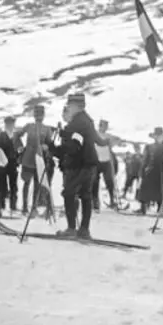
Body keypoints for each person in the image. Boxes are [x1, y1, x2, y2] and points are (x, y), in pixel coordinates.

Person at [50, 94, 99, 238]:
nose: (68, 108)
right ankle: (84, 229)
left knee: (69, 193)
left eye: (70, 105)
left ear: (76, 106)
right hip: (89, 164)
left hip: (79, 165)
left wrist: (54, 147)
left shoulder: (78, 123)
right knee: (85, 195)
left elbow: (74, 147)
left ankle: (71, 229)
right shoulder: (87, 121)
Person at [14, 105, 55, 216]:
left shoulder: (47, 129)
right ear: (34, 115)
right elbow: (16, 136)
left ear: (43, 115)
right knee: (26, 183)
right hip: (28, 158)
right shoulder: (29, 126)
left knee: (37, 184)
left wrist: (46, 146)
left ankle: (34, 207)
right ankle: (24, 207)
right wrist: (19, 146)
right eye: (37, 114)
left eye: (40, 114)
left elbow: (50, 144)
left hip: (40, 159)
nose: (38, 116)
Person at [135, 127, 163, 215]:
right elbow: (145, 160)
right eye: (156, 136)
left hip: (161, 172)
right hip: (149, 171)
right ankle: (142, 208)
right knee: (144, 190)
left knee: (160, 191)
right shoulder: (149, 147)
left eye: (159, 136)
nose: (158, 138)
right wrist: (142, 171)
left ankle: (160, 209)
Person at [0, 116, 21, 212]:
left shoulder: (16, 136)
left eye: (12, 124)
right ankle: (1, 204)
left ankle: (13, 205)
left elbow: (20, 149)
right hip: (2, 163)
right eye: (9, 124)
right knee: (2, 184)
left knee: (13, 185)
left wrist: (18, 156)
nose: (10, 125)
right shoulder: (0, 136)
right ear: (6, 124)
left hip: (13, 163)